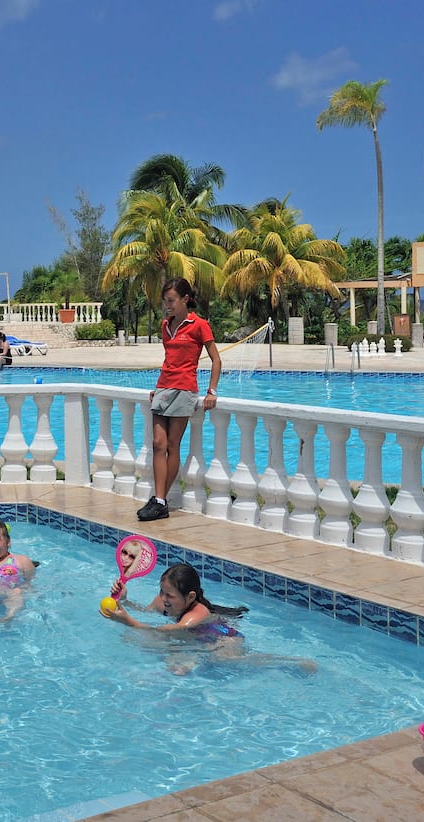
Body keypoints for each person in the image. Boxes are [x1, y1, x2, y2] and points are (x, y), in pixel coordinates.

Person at [102, 563, 315, 675]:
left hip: (221, 639)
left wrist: (128, 622)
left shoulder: (197, 614)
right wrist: (126, 601)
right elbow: (146, 613)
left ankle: (291, 663)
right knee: (169, 652)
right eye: (162, 592)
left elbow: (164, 631)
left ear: (190, 597)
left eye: (170, 595)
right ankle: (185, 665)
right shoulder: (163, 601)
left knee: (229, 662)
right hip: (194, 639)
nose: (164, 600)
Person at [136, 277, 222, 523]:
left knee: (172, 446)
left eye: (171, 301)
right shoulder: (166, 325)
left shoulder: (199, 325)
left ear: (185, 299)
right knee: (157, 444)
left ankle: (160, 501)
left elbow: (216, 359)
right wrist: (158, 388)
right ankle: (159, 500)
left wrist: (211, 391)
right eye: (165, 301)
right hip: (163, 387)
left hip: (185, 390)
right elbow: (169, 360)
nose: (167, 305)